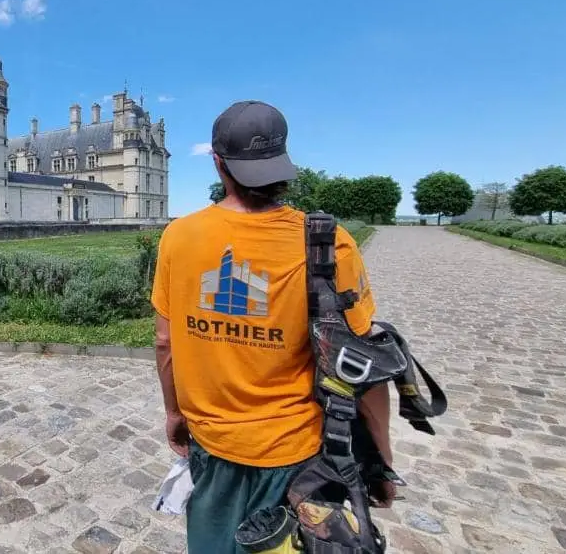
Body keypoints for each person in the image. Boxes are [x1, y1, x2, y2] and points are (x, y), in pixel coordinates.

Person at [150, 100, 395, 553]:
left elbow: (166, 343)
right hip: (298, 457)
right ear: (282, 165)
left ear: (219, 164)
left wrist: (174, 413)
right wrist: (379, 460)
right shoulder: (328, 243)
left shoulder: (179, 237)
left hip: (212, 446)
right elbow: (361, 364)